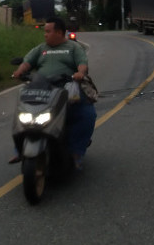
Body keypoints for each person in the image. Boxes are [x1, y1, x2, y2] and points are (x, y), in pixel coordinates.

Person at [12, 16, 96, 169]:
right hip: (41, 87)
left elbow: (82, 63)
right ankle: (19, 149)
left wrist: (80, 73)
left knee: (87, 114)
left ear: (58, 32)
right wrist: (19, 71)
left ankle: (77, 152)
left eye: (48, 31)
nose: (45, 35)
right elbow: (27, 62)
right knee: (22, 111)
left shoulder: (73, 47)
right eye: (45, 32)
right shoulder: (41, 48)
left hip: (66, 89)